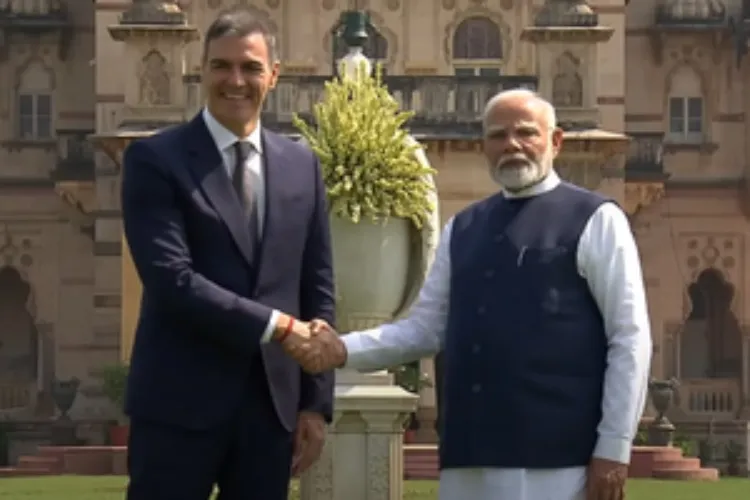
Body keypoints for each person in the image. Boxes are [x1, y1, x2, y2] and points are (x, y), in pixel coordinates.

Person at [289, 89, 653, 500]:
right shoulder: (462, 228)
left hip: (556, 462)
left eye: (525, 133)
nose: (511, 145)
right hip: (468, 458)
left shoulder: (595, 218)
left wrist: (615, 446)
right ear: (484, 146)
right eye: (498, 135)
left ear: (555, 142)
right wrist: (339, 349)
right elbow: (424, 331)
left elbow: (630, 338)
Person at [120, 7, 334, 500]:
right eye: (222, 66)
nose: (235, 80)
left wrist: (314, 404)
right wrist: (279, 326)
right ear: (202, 69)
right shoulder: (156, 159)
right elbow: (172, 280)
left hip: (271, 408)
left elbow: (317, 286)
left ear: (273, 75)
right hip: (178, 404)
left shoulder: (303, 166)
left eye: (250, 67)